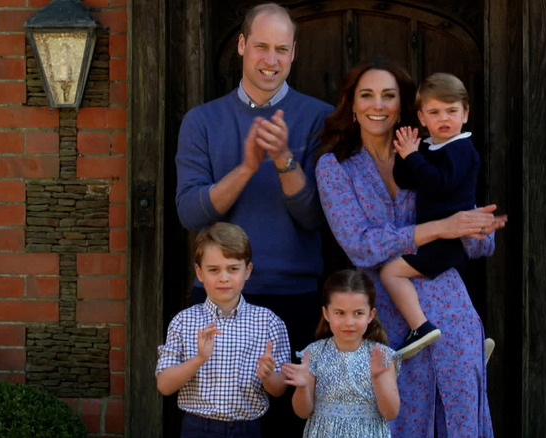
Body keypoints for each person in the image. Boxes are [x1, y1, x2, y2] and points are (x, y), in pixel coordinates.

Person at [315, 57, 506, 437]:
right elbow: (360, 247)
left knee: (459, 417)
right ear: (352, 105)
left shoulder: (432, 153)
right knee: (397, 422)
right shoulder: (335, 167)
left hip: (450, 309)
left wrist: (478, 228)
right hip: (386, 319)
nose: (378, 105)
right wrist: (440, 228)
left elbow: (476, 244)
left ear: (402, 107)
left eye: (388, 95)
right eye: (366, 95)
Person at [174, 3, 333, 435]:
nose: (271, 59)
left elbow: (317, 217)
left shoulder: (320, 118)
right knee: (217, 422)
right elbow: (190, 213)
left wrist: (283, 159)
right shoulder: (202, 121)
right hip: (218, 301)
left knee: (288, 426)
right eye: (261, 46)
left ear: (294, 53)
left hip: (295, 298)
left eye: (282, 49)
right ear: (242, 46)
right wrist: (246, 167)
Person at [156, 222, 291, 438]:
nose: (224, 277)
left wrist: (267, 376)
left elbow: (279, 389)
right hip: (197, 427)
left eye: (233, 268)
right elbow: (164, 385)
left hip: (248, 427)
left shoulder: (268, 322)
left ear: (247, 271)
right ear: (199, 273)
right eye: (214, 269)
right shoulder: (184, 321)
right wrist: (199, 359)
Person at [379, 73, 480, 359]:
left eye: (451, 111)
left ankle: (420, 327)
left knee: (390, 272)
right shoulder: (430, 148)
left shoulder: (462, 149)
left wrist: (414, 156)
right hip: (433, 236)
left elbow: (439, 183)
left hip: (447, 241)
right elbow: (406, 180)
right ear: (422, 118)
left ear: (465, 114)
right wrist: (405, 153)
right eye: (435, 112)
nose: (444, 118)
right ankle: (465, 344)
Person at [282, 270, 400, 438]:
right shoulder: (313, 353)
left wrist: (378, 380)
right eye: (340, 313)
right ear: (326, 313)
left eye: (358, 313)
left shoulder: (381, 356)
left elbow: (391, 413)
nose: (349, 322)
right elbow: (302, 412)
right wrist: (302, 388)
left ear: (370, 315)